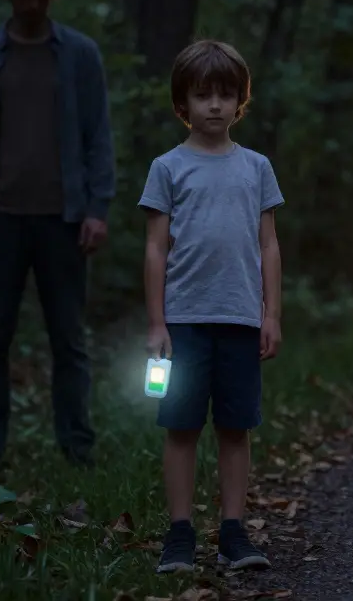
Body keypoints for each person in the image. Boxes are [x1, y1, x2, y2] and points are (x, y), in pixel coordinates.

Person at [0, 0, 116, 472]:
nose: (32, 4)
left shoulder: (79, 55)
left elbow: (98, 137)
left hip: (63, 220)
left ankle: (77, 450)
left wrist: (97, 208)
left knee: (69, 340)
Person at [137, 39, 284, 572]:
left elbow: (269, 244)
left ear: (240, 101)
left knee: (234, 427)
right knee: (180, 426)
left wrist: (271, 314)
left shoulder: (257, 167)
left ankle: (232, 532)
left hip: (241, 319)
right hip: (183, 322)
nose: (215, 105)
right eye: (203, 95)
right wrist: (157, 322)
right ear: (183, 105)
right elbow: (156, 246)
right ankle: (179, 534)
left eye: (226, 94)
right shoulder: (167, 168)